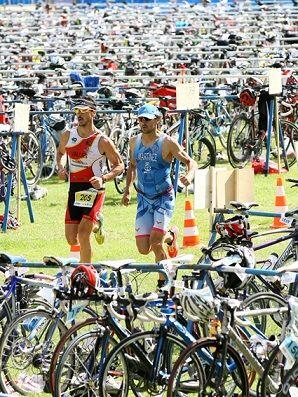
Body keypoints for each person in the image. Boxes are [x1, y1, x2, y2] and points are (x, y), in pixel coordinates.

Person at [122, 104, 197, 287]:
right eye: (140, 119)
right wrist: (127, 190)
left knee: (156, 243)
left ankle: (163, 283)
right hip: (143, 199)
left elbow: (191, 162)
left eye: (147, 119)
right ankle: (171, 235)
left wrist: (188, 176)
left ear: (158, 120)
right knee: (143, 249)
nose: (143, 122)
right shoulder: (134, 142)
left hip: (164, 198)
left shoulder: (167, 142)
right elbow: (132, 165)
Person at [57, 97, 124, 263]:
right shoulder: (68, 135)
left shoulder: (102, 141)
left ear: (93, 113)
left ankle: (86, 272)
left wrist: (104, 178)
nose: (78, 114)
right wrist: (60, 167)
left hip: (94, 190)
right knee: (72, 239)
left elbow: (120, 165)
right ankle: (97, 223)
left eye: (83, 110)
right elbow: (60, 153)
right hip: (74, 190)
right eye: (76, 111)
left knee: (83, 234)